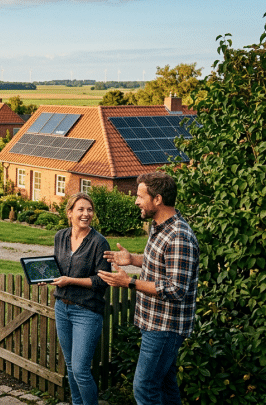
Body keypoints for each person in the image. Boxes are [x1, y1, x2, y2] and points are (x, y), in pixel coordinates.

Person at [98, 172, 199, 405]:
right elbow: (160, 261)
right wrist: (132, 259)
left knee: (144, 387)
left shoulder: (179, 236)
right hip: (153, 323)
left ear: (158, 199)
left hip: (165, 326)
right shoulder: (159, 227)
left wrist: (130, 282)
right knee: (165, 386)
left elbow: (176, 289)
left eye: (140, 196)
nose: (135, 201)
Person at [42, 192, 110, 405]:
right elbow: (56, 267)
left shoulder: (99, 243)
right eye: (80, 209)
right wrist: (46, 276)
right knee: (71, 366)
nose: (86, 214)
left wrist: (69, 280)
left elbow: (102, 281)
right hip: (62, 307)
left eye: (89, 210)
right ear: (69, 213)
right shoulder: (60, 236)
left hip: (87, 311)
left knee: (80, 370)